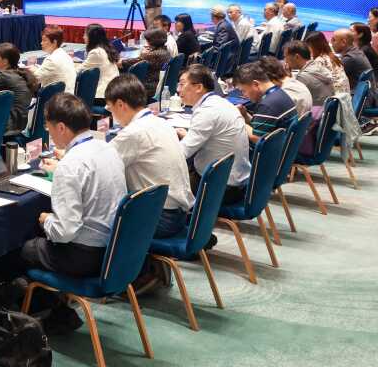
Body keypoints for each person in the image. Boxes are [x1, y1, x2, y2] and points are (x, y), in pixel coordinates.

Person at [11, 93, 126, 328]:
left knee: (17, 247)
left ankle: (37, 315)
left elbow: (64, 233)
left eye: (49, 128)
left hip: (84, 257)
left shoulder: (70, 165)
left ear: (61, 127)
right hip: (114, 250)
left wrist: (47, 220)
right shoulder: (107, 148)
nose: (49, 133)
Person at [104, 75, 193, 238]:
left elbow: (100, 167)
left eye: (110, 108)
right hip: (178, 213)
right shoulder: (162, 122)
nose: (111, 114)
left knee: (94, 220)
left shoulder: (134, 132)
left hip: (160, 218)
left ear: (120, 105)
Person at [176, 65, 251, 204]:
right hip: (235, 180)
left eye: (182, 84)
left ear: (199, 87)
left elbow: (181, 153)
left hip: (220, 188)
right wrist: (188, 136)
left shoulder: (207, 112)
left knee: (165, 186)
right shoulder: (220, 102)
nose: (178, 90)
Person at [0, 42, 39, 134]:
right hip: (23, 121)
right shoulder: (20, 72)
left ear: (5, 61)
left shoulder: (4, 76)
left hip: (11, 126)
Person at [234, 63, 297, 139]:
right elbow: (261, 127)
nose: (244, 95)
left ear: (256, 84)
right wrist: (245, 116)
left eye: (243, 90)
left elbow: (257, 138)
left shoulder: (267, 105)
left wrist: (237, 119)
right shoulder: (279, 93)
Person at [258, 56, 314, 131]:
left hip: (287, 133)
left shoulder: (283, 95)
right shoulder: (298, 84)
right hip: (298, 131)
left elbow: (262, 132)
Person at [121, 28, 170, 96]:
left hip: (149, 87)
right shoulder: (165, 51)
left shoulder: (153, 55)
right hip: (156, 83)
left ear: (152, 41)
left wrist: (120, 61)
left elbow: (128, 63)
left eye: (147, 39)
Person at [285, 40, 333, 105]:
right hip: (325, 107)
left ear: (297, 57)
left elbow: (290, 98)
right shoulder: (317, 65)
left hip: (316, 109)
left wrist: (286, 78)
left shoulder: (302, 77)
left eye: (286, 57)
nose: (285, 61)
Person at [350, 22, 378, 102]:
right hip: (374, 85)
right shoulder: (364, 48)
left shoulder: (364, 51)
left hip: (375, 90)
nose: (348, 33)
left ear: (360, 35)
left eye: (351, 31)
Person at [82, 23, 120, 102]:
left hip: (103, 96)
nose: (83, 37)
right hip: (113, 91)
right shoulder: (107, 48)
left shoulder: (96, 53)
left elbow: (79, 71)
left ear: (92, 37)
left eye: (85, 35)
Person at [34, 25, 77, 92]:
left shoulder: (51, 60)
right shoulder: (65, 55)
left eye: (44, 40)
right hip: (68, 95)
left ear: (54, 42)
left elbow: (34, 80)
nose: (41, 43)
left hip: (57, 97)